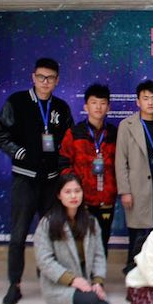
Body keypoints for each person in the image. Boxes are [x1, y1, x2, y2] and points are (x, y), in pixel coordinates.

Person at [0, 57, 74, 304]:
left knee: (52, 233)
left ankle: (48, 277)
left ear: (57, 80)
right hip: (25, 180)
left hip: (51, 182)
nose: (45, 82)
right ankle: (14, 284)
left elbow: (68, 141)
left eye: (50, 78)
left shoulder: (61, 107)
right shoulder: (17, 102)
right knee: (18, 234)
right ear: (33, 77)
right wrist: (20, 153)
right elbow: (0, 134)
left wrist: (61, 167)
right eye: (41, 77)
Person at [33, 174, 113, 304]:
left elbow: (99, 255)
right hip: (60, 284)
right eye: (68, 192)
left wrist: (97, 282)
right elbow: (44, 261)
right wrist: (73, 280)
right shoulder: (47, 223)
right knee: (90, 301)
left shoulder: (91, 222)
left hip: (85, 282)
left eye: (77, 191)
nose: (73, 196)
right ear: (59, 195)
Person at [116, 80, 153, 267]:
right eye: (145, 98)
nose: (150, 102)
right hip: (137, 188)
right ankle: (132, 271)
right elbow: (121, 161)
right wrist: (125, 191)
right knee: (137, 235)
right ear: (138, 101)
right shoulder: (126, 125)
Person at [59, 83, 117, 255]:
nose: (98, 107)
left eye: (103, 103)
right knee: (79, 243)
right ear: (86, 106)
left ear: (108, 107)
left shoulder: (115, 133)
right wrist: (74, 189)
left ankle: (99, 273)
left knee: (102, 241)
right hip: (81, 199)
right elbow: (63, 163)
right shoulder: (74, 133)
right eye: (94, 103)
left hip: (106, 198)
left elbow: (123, 164)